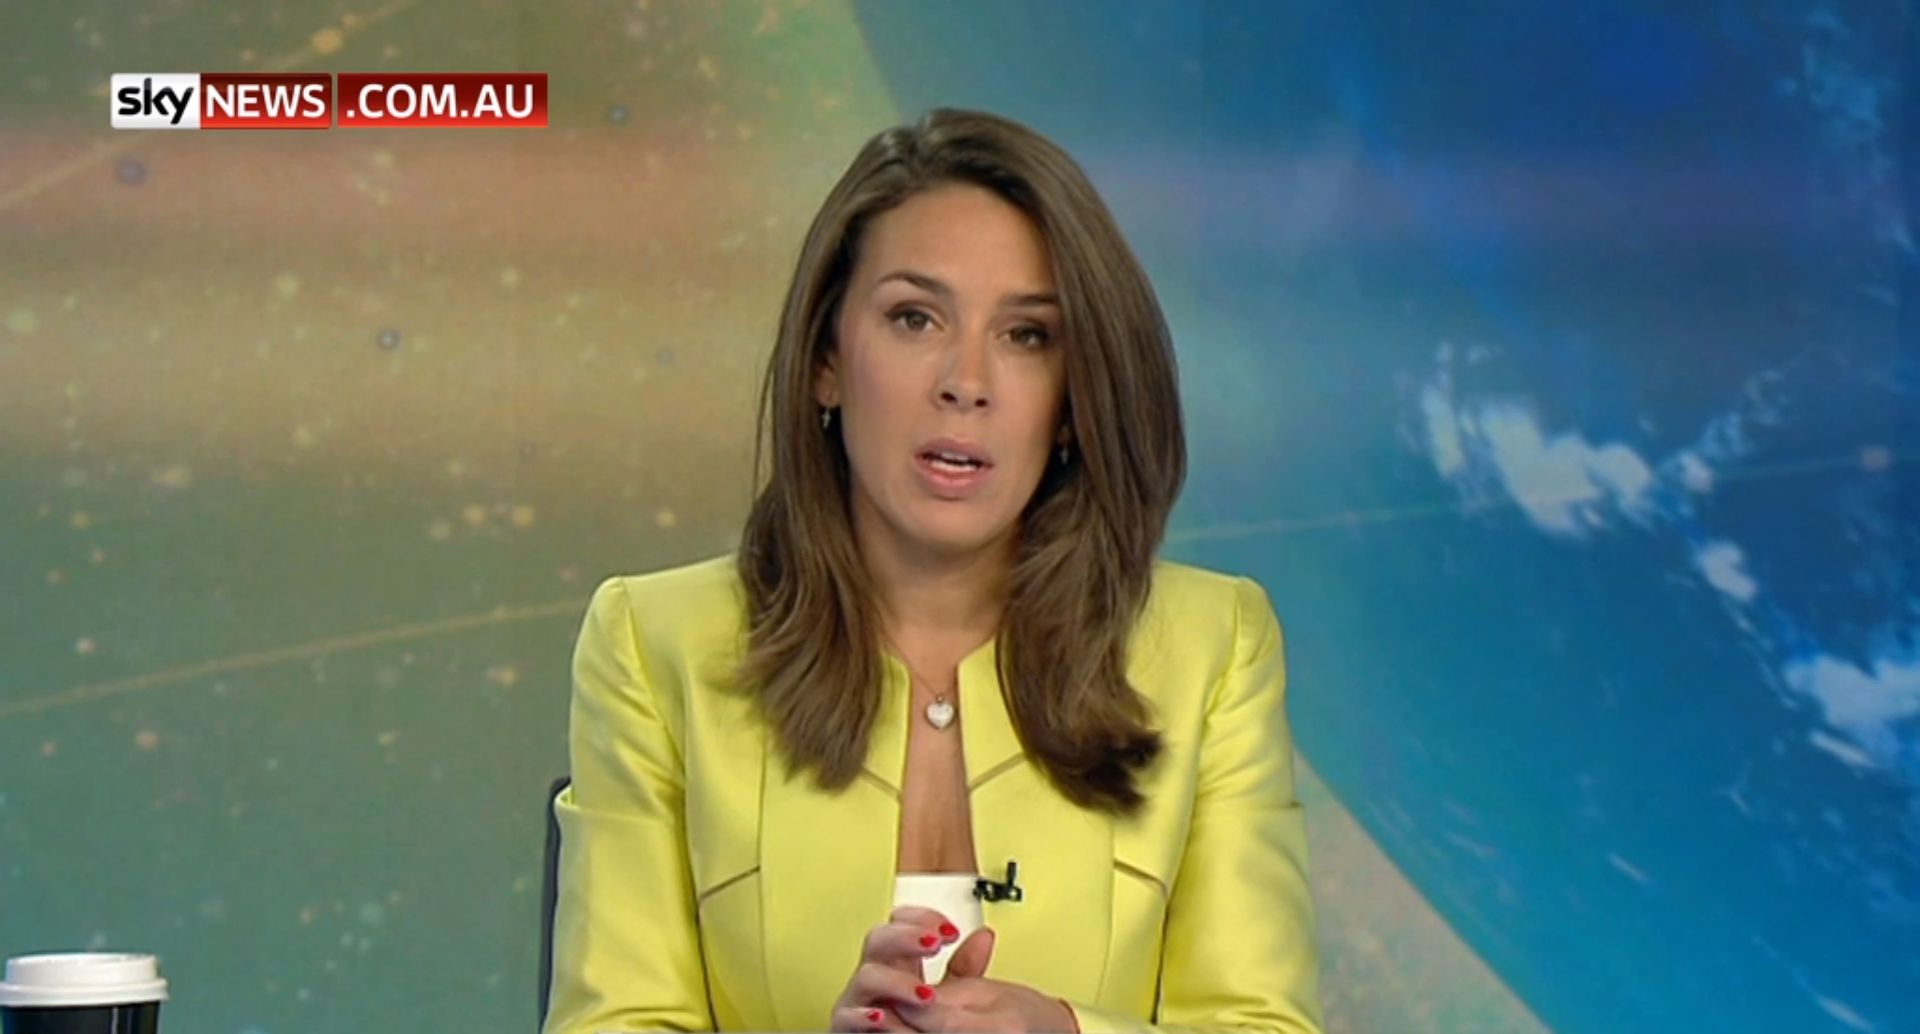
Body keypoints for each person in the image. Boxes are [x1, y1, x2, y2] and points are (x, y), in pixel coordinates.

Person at [543, 108, 1322, 1034]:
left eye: (1027, 335)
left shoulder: (1211, 649)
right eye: (915, 318)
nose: (967, 381)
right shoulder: (655, 644)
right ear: (826, 361)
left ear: (1073, 401)